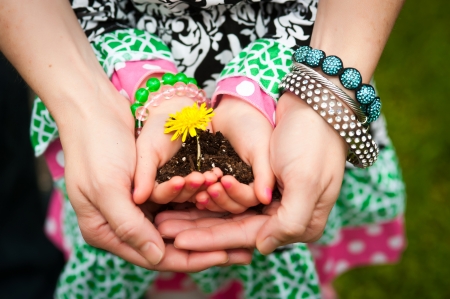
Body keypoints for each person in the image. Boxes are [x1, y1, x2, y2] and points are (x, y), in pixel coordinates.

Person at [0, 0, 406, 298]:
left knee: (295, 234)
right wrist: (87, 108)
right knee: (149, 264)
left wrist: (320, 104)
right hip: (112, 83)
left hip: (297, 79)